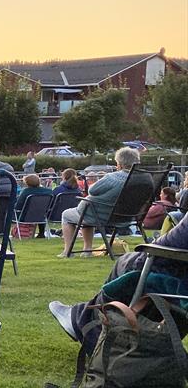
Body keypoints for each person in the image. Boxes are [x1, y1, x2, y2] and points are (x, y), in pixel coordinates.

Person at [49, 214, 188, 349]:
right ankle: (81, 316)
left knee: (130, 264)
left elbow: (173, 242)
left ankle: (88, 326)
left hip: (103, 213)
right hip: (120, 215)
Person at [58, 147, 145, 258]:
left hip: (101, 215)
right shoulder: (143, 178)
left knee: (66, 215)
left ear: (120, 164)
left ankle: (68, 251)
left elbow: (92, 190)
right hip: (128, 217)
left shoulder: (114, 178)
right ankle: (87, 250)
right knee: (88, 213)